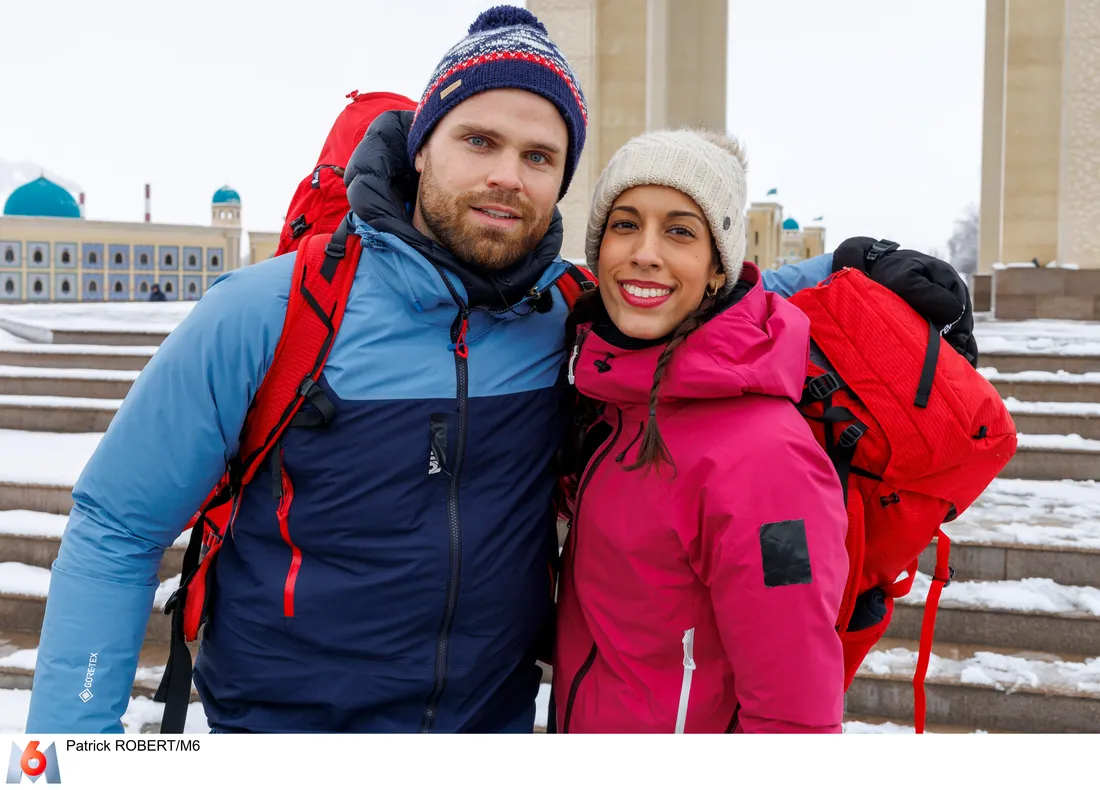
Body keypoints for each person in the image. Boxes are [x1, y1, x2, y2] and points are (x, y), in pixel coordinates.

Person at [27, 5, 830, 735]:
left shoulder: (569, 317)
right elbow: (117, 527)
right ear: (423, 145)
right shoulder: (273, 312)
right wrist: (68, 745)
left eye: (539, 156)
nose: (507, 176)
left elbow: (696, 303)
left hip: (490, 738)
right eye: (479, 141)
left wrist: (843, 271)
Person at [552, 129, 849, 734]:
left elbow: (796, 714)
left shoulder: (765, 459)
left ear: (718, 266)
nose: (645, 253)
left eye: (681, 231)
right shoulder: (617, 407)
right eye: (625, 224)